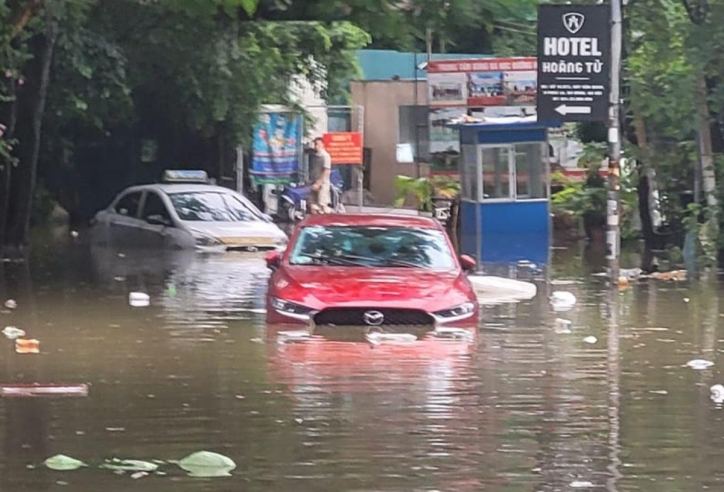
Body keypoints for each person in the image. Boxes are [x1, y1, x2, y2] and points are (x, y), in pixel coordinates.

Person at [309, 137, 332, 214]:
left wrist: (319, 183)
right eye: (315, 144)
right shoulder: (315, 156)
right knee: (312, 204)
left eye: (318, 144)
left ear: (322, 144)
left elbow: (326, 170)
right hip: (314, 182)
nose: (316, 146)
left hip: (322, 184)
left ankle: (330, 217)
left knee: (323, 205)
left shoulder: (325, 156)